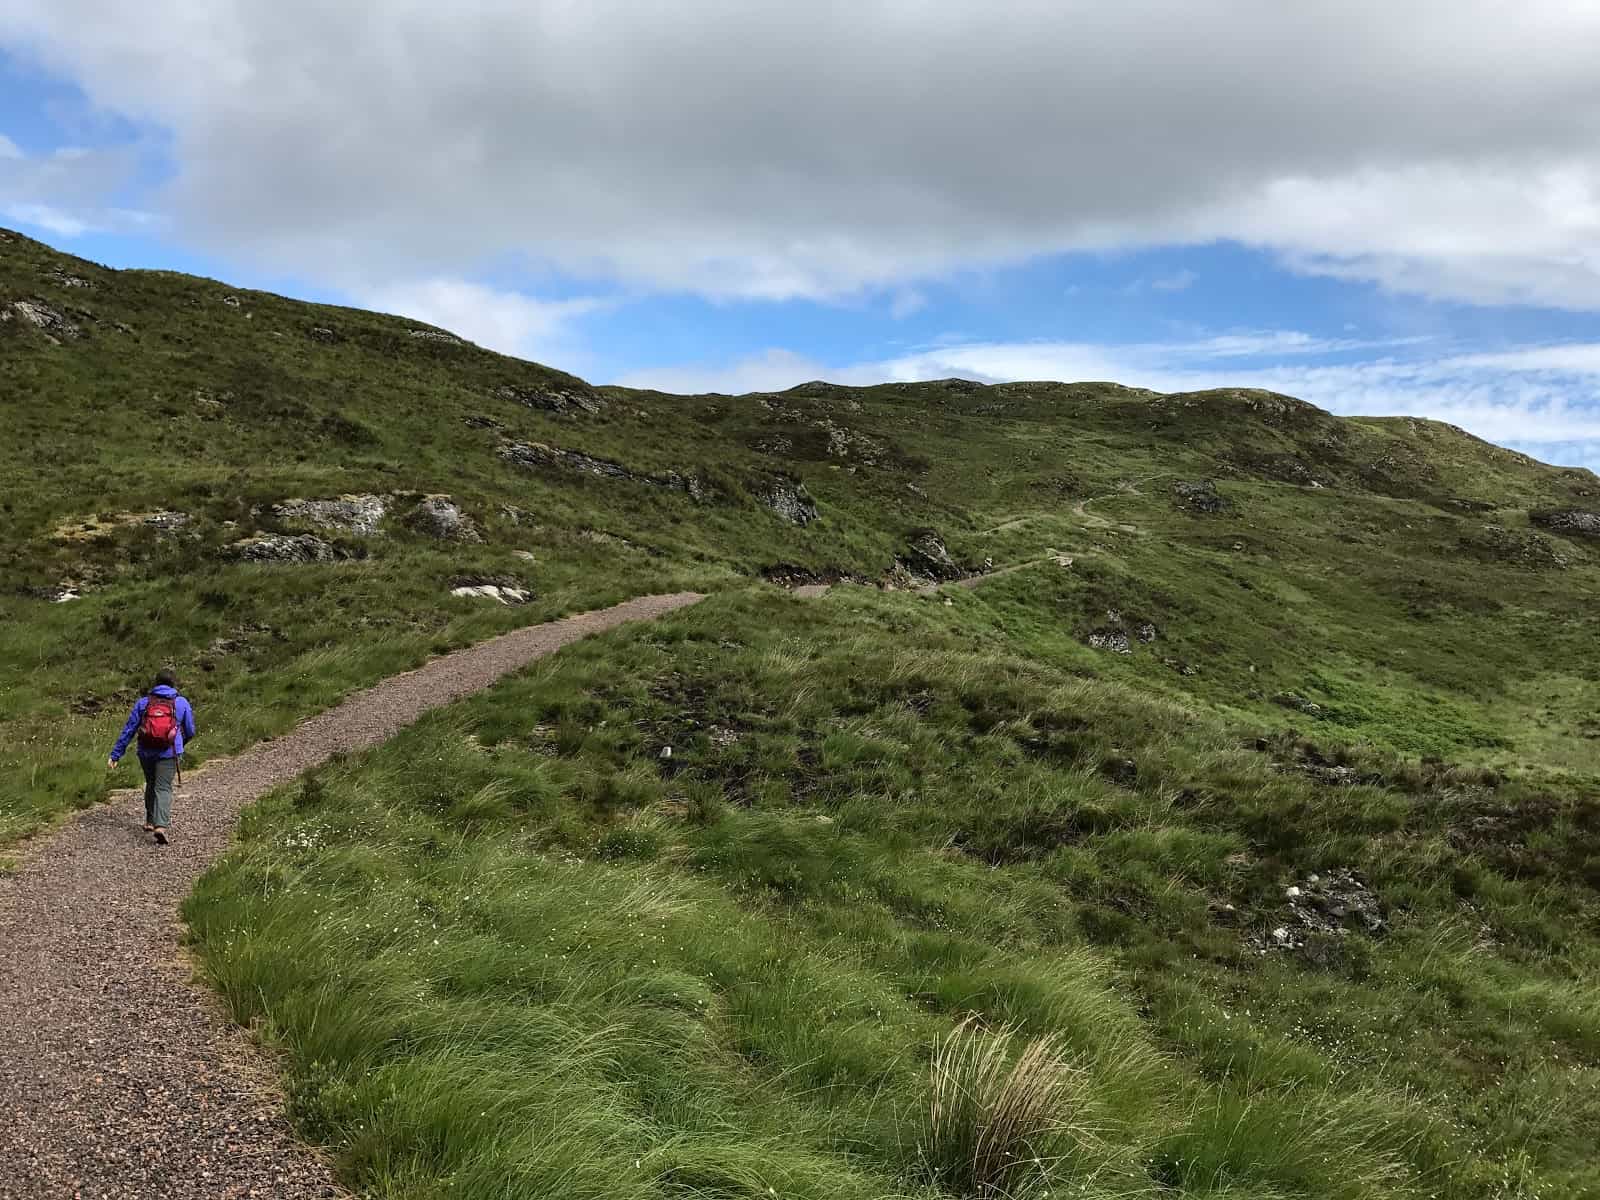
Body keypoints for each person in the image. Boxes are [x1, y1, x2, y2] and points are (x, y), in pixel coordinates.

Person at [107, 669, 197, 844]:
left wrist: (116, 755)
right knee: (163, 787)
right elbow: (190, 730)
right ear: (174, 684)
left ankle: (149, 821)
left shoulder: (143, 703)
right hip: (169, 753)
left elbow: (129, 730)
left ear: (156, 683)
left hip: (146, 752)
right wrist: (179, 744)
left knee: (151, 783)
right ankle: (161, 826)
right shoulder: (181, 702)